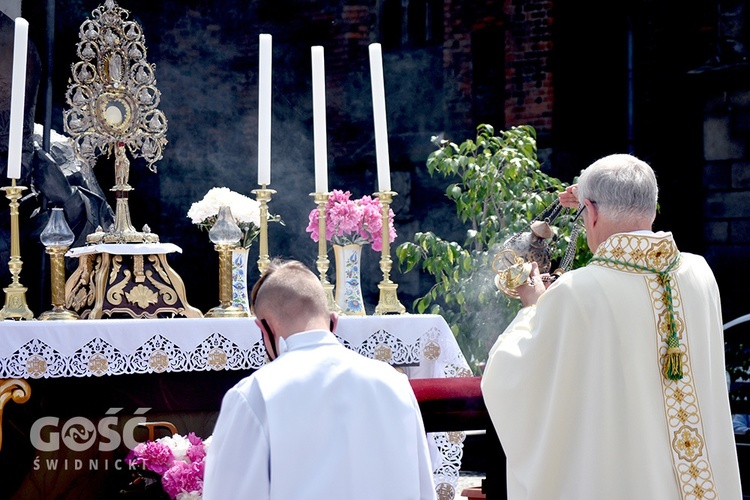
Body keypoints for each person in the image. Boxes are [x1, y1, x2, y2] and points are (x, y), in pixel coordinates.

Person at [481, 154, 742, 499]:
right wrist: (599, 196)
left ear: (590, 211)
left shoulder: (576, 291)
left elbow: (512, 378)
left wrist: (533, 306)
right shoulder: (700, 274)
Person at [203, 259, 436, 500]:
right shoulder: (395, 384)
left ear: (264, 328)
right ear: (334, 321)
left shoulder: (254, 394)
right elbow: (425, 491)